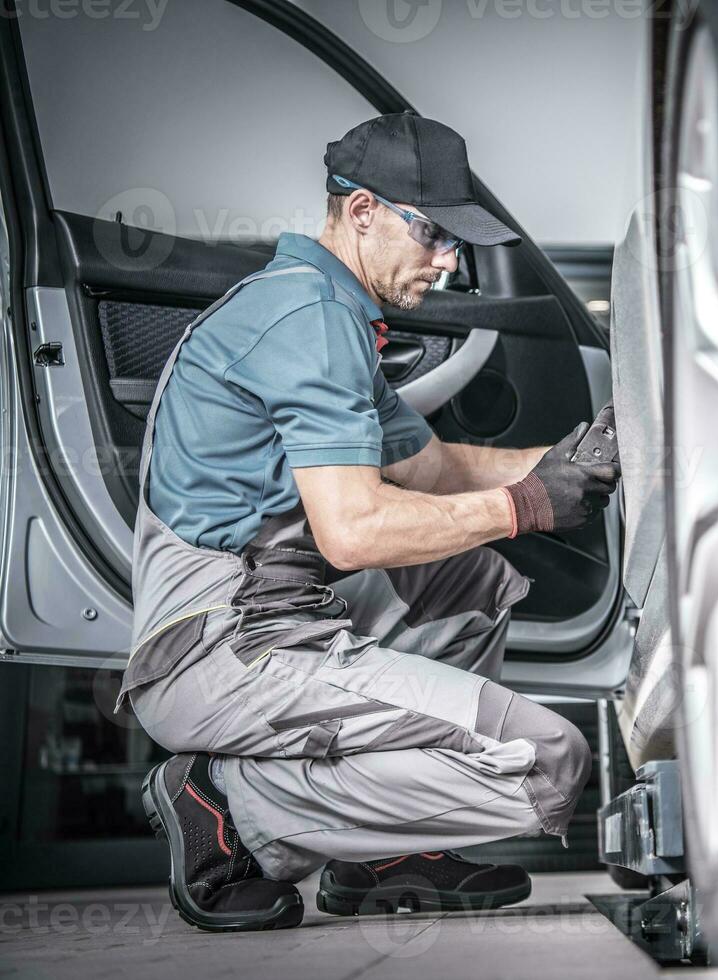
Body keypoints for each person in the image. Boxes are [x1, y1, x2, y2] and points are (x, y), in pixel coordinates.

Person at [121, 113, 618, 931]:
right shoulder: (308, 319)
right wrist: (529, 505)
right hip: (224, 645)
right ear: (361, 213)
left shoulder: (323, 310)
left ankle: (379, 855)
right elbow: (352, 531)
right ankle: (227, 808)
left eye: (456, 242)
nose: (449, 260)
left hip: (272, 619)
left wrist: (573, 458)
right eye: (434, 236)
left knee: (474, 576)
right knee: (550, 764)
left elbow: (432, 469)